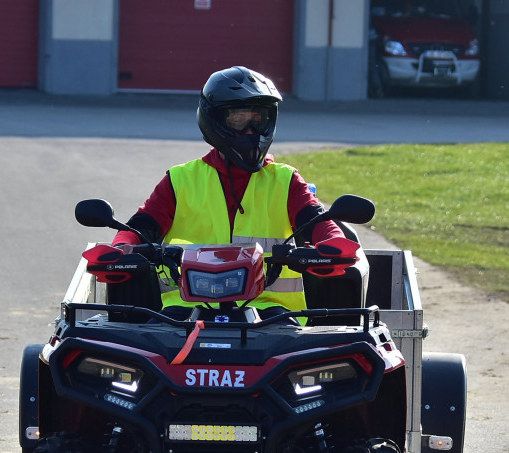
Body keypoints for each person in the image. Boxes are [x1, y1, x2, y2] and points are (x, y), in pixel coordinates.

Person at [112, 65, 357, 318]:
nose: (251, 131)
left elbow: (316, 220)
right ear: (214, 120)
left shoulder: (286, 179)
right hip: (186, 310)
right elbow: (140, 228)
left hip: (270, 311)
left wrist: (334, 243)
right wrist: (120, 248)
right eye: (239, 119)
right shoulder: (180, 179)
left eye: (258, 119)